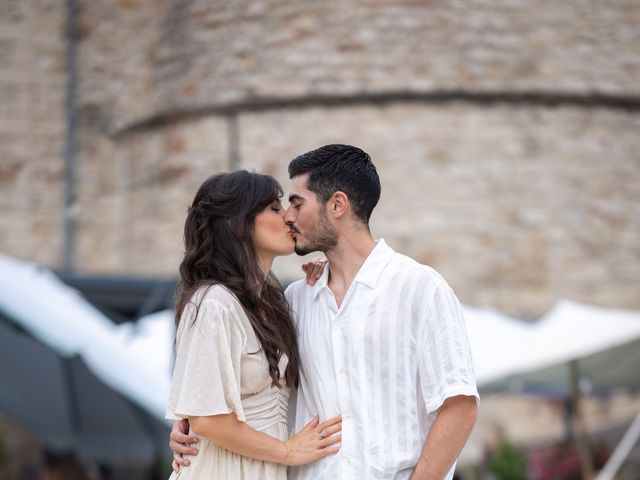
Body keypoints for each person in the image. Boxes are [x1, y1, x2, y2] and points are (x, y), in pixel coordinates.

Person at [171, 145, 479, 479]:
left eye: (296, 203)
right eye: (280, 207)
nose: (289, 216)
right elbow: (234, 389)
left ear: (337, 205)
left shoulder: (420, 289)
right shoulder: (297, 300)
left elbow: (459, 406)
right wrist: (191, 425)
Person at [165, 170, 341, 480]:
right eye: (274, 208)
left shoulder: (271, 304)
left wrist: (332, 273)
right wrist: (288, 451)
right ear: (238, 224)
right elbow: (207, 420)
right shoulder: (214, 302)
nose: (288, 216)